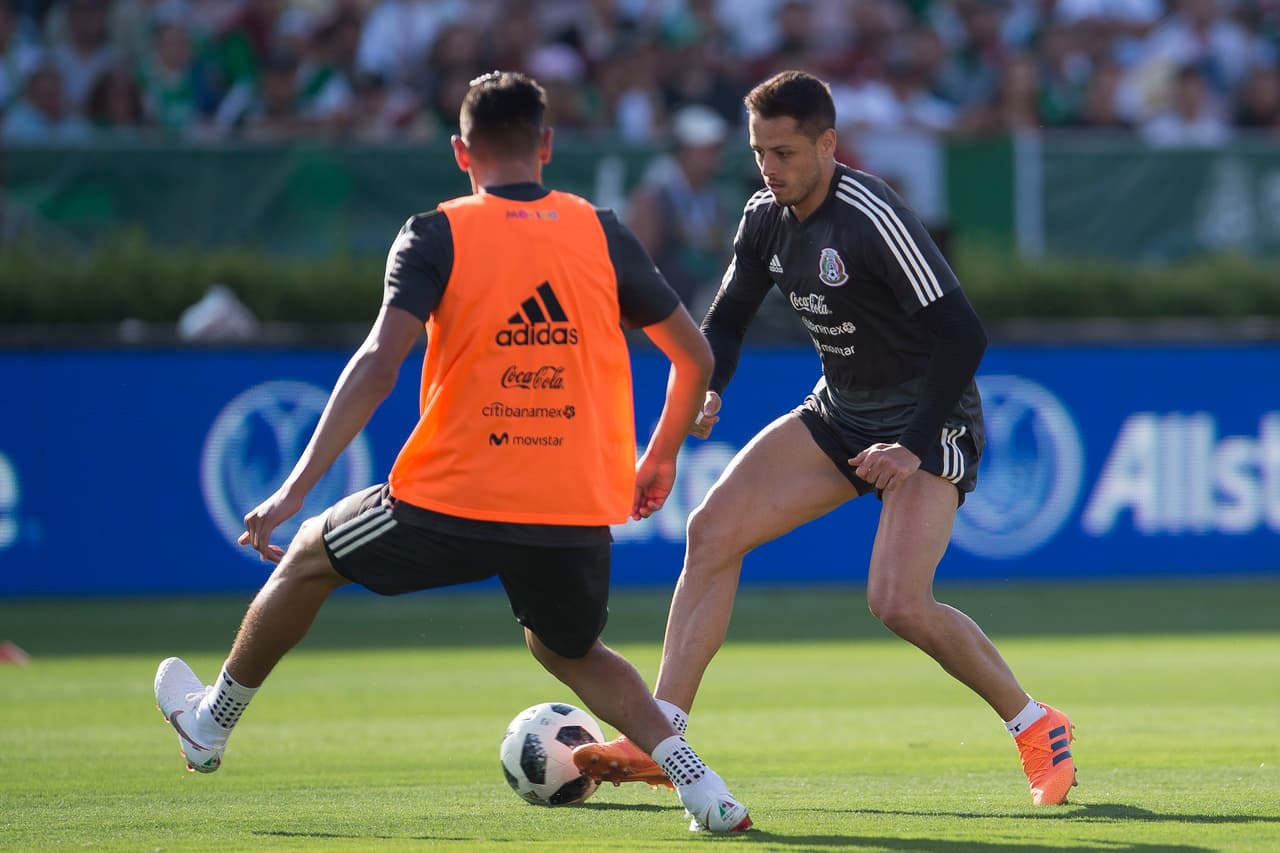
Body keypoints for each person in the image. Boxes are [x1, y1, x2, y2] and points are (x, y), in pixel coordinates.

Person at [153, 70, 752, 835]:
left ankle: (211, 721)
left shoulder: (436, 231)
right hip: (573, 505)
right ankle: (704, 787)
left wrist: (296, 485)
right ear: (547, 145)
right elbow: (694, 357)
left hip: (450, 500)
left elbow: (378, 361)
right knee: (569, 649)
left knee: (307, 555)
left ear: (460, 152)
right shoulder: (600, 230)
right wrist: (660, 456)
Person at [572, 70, 1078, 807]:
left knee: (898, 600)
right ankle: (665, 734)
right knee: (712, 530)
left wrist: (909, 443)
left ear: (827, 144)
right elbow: (729, 314)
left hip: (930, 422)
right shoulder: (763, 214)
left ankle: (1037, 724)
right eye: (759, 152)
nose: (768, 168)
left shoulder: (873, 215)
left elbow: (963, 335)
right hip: (840, 412)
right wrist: (712, 384)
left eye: (783, 152)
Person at [625, 103, 733, 314]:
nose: (715, 157)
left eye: (716, 149)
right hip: (662, 312)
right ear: (684, 151)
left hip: (701, 305)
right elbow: (638, 263)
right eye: (707, 150)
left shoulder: (715, 198)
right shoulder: (653, 196)